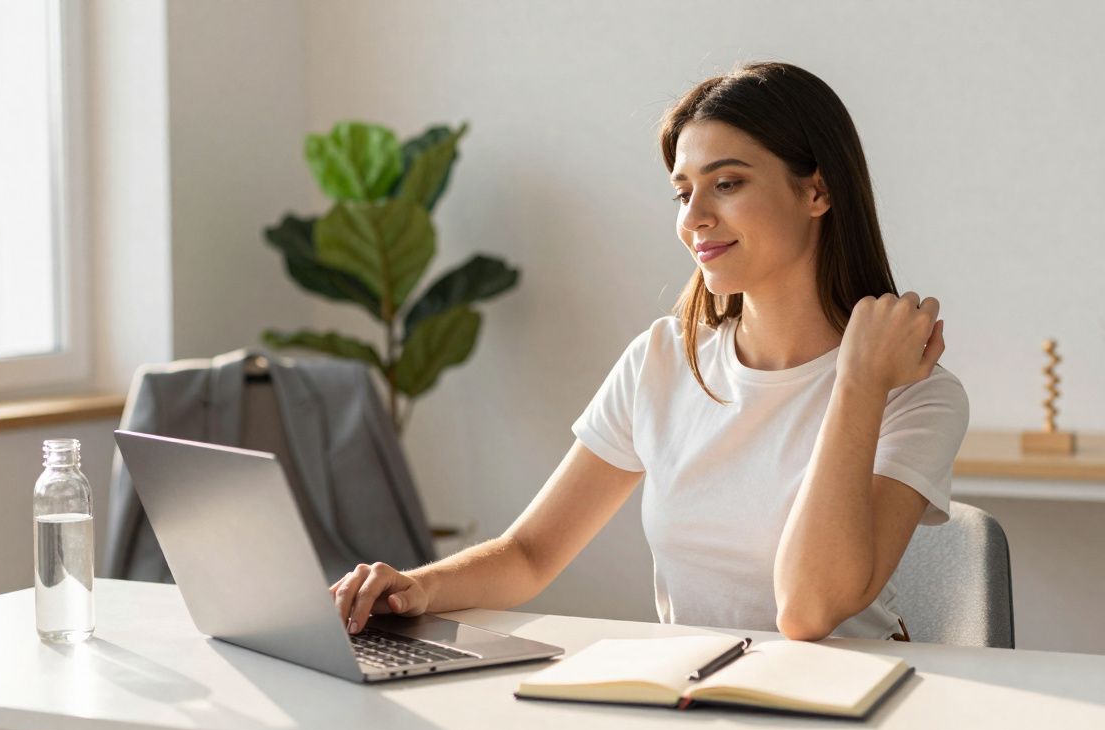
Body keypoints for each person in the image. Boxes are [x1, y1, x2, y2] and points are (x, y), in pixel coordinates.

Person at [330, 61, 969, 643]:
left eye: (727, 183)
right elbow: (529, 554)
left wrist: (857, 380)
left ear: (817, 192)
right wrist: (417, 586)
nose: (693, 217)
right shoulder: (661, 360)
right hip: (695, 699)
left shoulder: (915, 392)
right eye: (683, 192)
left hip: (848, 705)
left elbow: (806, 611)